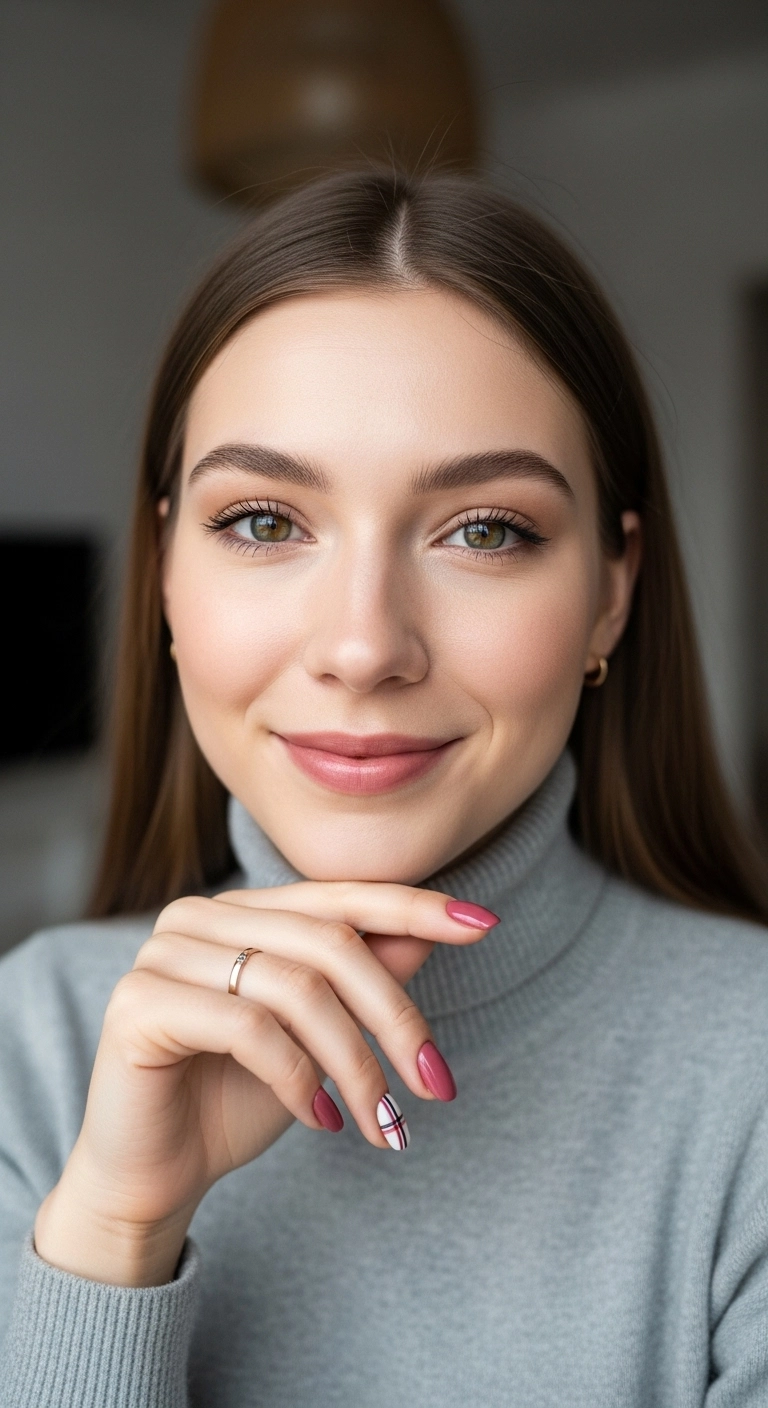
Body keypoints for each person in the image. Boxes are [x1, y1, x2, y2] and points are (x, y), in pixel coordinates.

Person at [1, 170, 767, 1407]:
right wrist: (110, 1236)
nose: (364, 646)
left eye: (483, 530)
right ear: (163, 577)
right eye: (262, 521)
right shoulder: (29, 1044)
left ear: (612, 592)